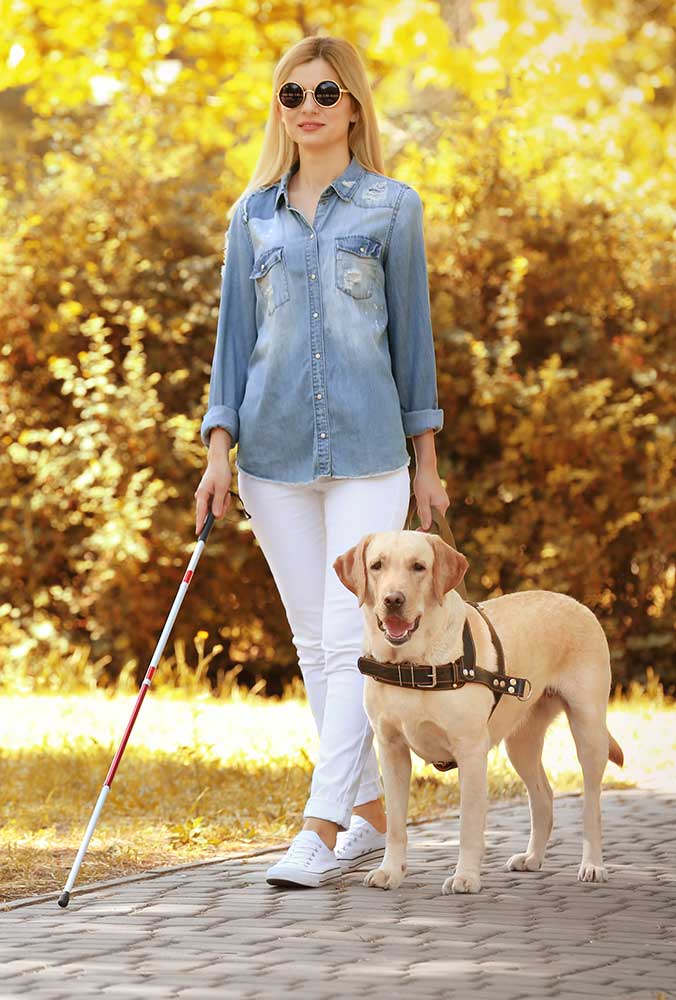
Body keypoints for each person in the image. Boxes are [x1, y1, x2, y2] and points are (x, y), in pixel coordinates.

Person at [194, 34, 450, 888]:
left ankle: (321, 823)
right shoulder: (251, 214)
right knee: (316, 642)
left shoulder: (391, 207)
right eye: (291, 94)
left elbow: (413, 343)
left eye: (324, 93)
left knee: (352, 637)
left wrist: (427, 462)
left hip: (373, 449)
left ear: (353, 106)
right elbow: (234, 345)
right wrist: (218, 453)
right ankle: (375, 816)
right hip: (269, 457)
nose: (307, 108)